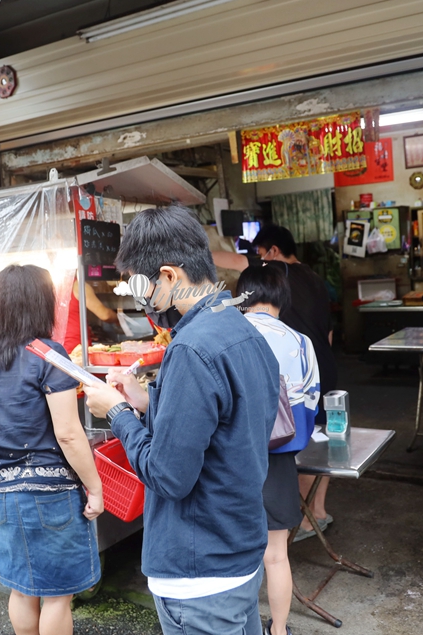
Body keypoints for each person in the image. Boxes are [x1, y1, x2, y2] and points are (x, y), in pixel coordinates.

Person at [84, 205, 280, 635]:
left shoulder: (190, 349)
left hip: (200, 573)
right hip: (240, 551)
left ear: (170, 276)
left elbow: (169, 476)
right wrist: (148, 401)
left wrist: (116, 413)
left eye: (144, 288)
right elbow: (225, 422)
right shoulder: (244, 330)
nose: (144, 302)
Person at [0, 265, 103, 635]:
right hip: (51, 497)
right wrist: (96, 488)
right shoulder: (49, 354)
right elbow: (70, 434)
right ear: (42, 304)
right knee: (58, 596)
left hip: (3, 494)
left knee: (23, 589)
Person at [212, 225, 337, 540]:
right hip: (316, 366)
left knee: (283, 449)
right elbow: (330, 331)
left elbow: (232, 262)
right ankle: (316, 512)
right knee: (316, 446)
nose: (255, 259)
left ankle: (299, 519)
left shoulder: (274, 271)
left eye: (258, 253)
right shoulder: (315, 278)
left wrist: (188, 257)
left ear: (273, 252)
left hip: (285, 375)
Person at [236, 264, 321, 635]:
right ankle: (280, 629)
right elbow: (312, 399)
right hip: (279, 459)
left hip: (231, 459)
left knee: (235, 552)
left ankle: (239, 625)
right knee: (276, 554)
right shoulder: (301, 342)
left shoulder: (229, 334)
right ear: (281, 299)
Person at [61, 280, 119, 353]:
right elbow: (105, 315)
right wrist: (119, 319)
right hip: (76, 347)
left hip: (56, 348)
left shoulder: (50, 284)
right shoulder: (78, 285)